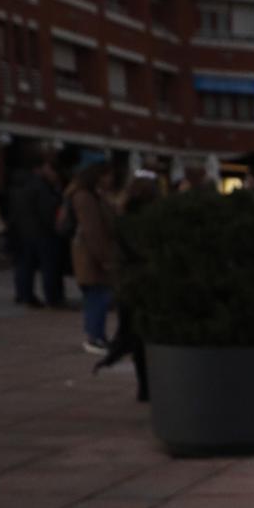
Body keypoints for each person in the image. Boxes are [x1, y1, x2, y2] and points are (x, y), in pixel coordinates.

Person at [95, 170, 161, 401]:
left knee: (136, 335)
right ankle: (149, 386)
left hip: (128, 283)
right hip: (146, 282)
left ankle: (144, 387)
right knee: (148, 336)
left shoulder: (122, 218)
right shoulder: (150, 220)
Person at [67, 161, 121, 355]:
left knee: (98, 296)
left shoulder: (94, 195)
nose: (110, 179)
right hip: (91, 256)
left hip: (94, 253)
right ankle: (94, 337)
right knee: (97, 297)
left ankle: (98, 336)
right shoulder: (84, 197)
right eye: (107, 175)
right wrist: (104, 258)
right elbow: (93, 231)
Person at [10, 160, 66, 309]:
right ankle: (52, 298)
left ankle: (25, 295)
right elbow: (47, 211)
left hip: (25, 232)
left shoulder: (22, 187)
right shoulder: (41, 188)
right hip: (42, 233)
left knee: (25, 266)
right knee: (48, 267)